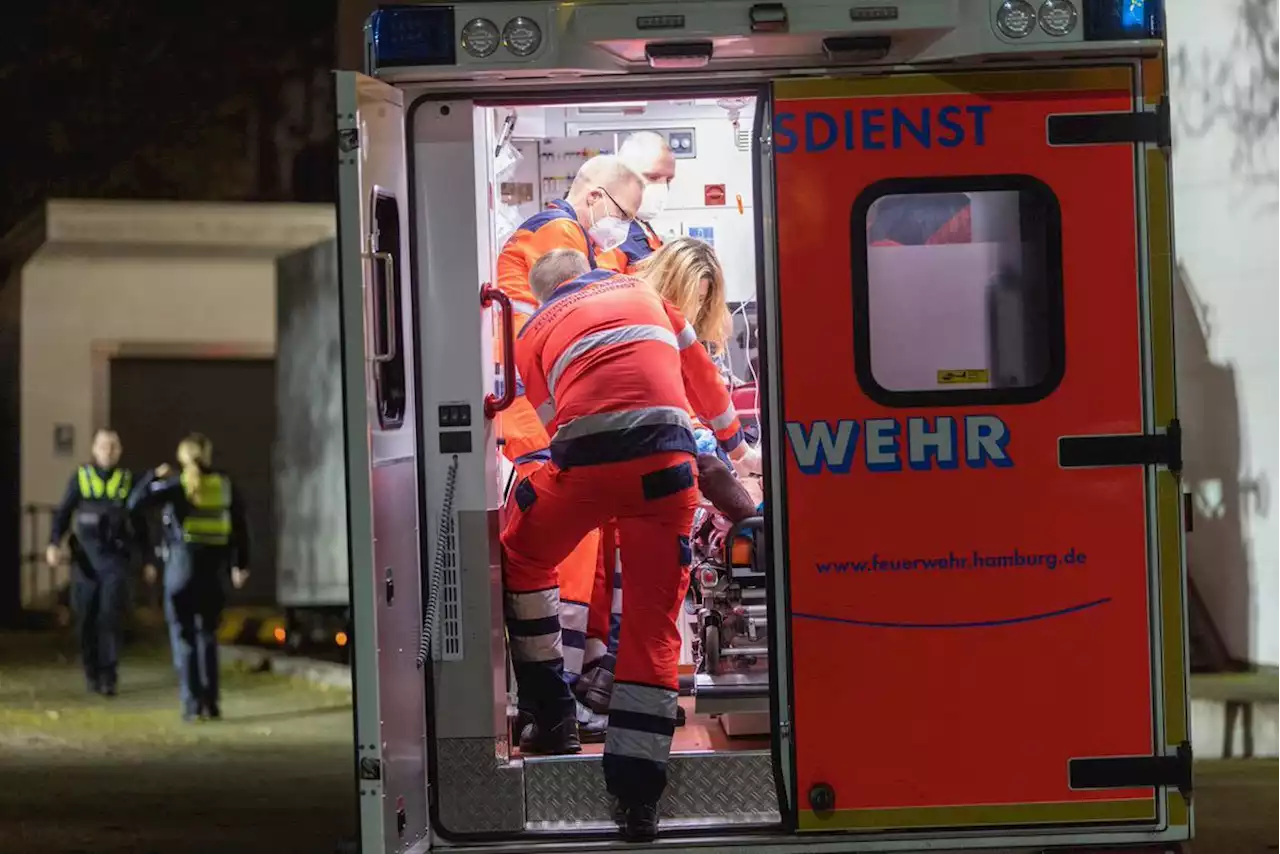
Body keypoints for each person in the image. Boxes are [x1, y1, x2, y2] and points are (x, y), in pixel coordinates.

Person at [503, 248, 755, 841]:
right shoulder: (652, 300)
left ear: (545, 295)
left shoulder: (531, 332)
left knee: (523, 552)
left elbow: (551, 420)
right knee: (652, 627)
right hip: (667, 474)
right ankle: (639, 801)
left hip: (584, 473)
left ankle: (551, 711)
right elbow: (706, 385)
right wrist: (739, 452)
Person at [576, 237, 758, 718]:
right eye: (698, 298)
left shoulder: (627, 309)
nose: (699, 310)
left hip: (610, 464)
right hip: (639, 467)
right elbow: (681, 404)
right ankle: (622, 692)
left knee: (633, 596)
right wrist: (740, 468)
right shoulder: (653, 320)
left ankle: (611, 686)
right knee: (646, 594)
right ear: (679, 285)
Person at [495, 155, 644, 704]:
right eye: (627, 214)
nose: (624, 229)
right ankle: (567, 686)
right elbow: (577, 321)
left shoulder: (571, 238)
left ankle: (587, 667)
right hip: (537, 418)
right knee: (571, 550)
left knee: (594, 539)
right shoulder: (558, 234)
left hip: (547, 410)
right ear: (598, 198)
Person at [128, 433, 250, 721]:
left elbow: (134, 504)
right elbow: (240, 527)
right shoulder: (225, 485)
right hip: (214, 570)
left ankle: (191, 705)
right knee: (207, 635)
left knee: (183, 636)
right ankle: (211, 703)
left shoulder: (176, 485)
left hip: (182, 569)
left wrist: (151, 477)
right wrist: (240, 564)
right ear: (208, 455)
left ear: (182, 457)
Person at [46, 428, 148, 696]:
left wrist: (147, 559)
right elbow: (63, 513)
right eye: (103, 446)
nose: (108, 451)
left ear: (120, 450)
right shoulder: (81, 478)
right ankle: (91, 672)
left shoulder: (127, 480)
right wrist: (54, 543)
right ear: (94, 449)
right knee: (86, 619)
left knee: (109, 617)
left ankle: (108, 677)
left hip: (115, 559)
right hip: (85, 562)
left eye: (113, 446)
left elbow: (139, 522)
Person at [610, 131, 678, 271]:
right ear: (624, 175)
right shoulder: (608, 235)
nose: (662, 188)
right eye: (653, 177)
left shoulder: (642, 226)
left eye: (668, 180)